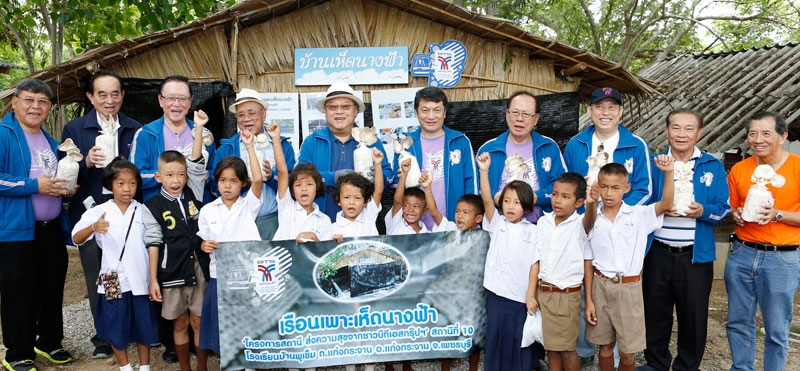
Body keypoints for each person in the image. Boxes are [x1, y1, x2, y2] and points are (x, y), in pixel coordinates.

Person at [563, 87, 652, 365]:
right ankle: (585, 349)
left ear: (620, 112)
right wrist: (587, 211)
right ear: (589, 111)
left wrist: (615, 211)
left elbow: (644, 188)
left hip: (619, 227)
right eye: (599, 107)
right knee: (585, 282)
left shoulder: (636, 145)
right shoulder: (576, 144)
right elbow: (569, 185)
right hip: (585, 223)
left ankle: (618, 353)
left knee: (616, 284)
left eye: (612, 107)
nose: (605, 112)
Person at [640, 109, 730, 371]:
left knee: (693, 315)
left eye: (689, 128)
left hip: (695, 254)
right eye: (676, 128)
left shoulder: (711, 165)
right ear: (667, 131)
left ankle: (687, 366)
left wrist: (703, 211)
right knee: (655, 311)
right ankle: (656, 363)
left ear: (698, 133)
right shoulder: (655, 163)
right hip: (657, 251)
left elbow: (724, 206)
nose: (681, 134)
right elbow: (641, 199)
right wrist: (659, 206)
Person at [61, 69, 142, 359]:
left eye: (115, 94)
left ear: (122, 96)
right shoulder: (76, 129)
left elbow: (141, 170)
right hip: (93, 212)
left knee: (132, 272)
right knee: (100, 275)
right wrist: (86, 163)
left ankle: (132, 330)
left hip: (128, 212)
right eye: (102, 94)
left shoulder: (133, 128)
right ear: (90, 97)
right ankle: (103, 337)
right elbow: (66, 176)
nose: (109, 100)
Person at [0, 79, 76, 371]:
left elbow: (51, 179)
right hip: (16, 230)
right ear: (15, 101)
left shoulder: (48, 139)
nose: (35, 107)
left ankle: (48, 342)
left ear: (49, 107)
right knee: (19, 291)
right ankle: (17, 353)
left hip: (51, 227)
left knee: (51, 286)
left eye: (42, 102)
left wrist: (65, 186)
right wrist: (33, 185)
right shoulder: (5, 134)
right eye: (29, 100)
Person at [726, 111, 800, 371]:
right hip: (742, 253)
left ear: (782, 136)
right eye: (753, 133)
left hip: (783, 257)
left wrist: (778, 214)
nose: (758, 139)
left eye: (766, 133)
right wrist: (734, 213)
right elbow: (733, 207)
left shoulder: (797, 167)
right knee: (737, 322)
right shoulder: (739, 169)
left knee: (777, 329)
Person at [584, 158, 675, 371]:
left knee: (627, 352)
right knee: (605, 346)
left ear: (627, 188)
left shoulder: (638, 215)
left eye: (615, 188)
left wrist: (669, 172)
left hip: (629, 288)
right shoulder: (592, 218)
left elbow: (666, 204)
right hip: (601, 286)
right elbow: (588, 261)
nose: (608, 193)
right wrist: (589, 300)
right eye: (604, 187)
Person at [71, 158, 159, 371]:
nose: (127, 188)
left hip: (140, 277)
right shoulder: (99, 211)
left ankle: (145, 366)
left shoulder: (143, 211)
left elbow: (153, 243)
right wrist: (93, 227)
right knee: (115, 323)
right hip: (112, 278)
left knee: (142, 325)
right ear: (109, 184)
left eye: (132, 183)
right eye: (120, 183)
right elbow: (76, 237)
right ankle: (125, 367)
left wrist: (153, 279)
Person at [143, 114, 210, 371]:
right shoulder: (152, 206)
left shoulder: (194, 191)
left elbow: (194, 164)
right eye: (169, 175)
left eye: (180, 174)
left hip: (197, 268)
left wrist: (199, 129)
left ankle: (202, 367)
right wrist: (152, 280)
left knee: (198, 321)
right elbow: (153, 243)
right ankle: (185, 368)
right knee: (180, 323)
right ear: (159, 177)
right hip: (171, 272)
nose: (176, 180)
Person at [197, 128, 263, 362]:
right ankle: (230, 362)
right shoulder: (207, 210)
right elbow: (204, 241)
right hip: (219, 277)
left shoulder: (248, 206)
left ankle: (250, 364)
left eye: (233, 181)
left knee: (247, 323)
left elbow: (258, 178)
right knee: (222, 327)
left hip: (247, 277)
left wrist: (250, 147)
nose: (227, 186)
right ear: (216, 182)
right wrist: (205, 246)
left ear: (242, 184)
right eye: (223, 180)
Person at [526, 172, 598, 371]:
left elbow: (589, 221)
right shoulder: (543, 222)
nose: (558, 201)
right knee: (552, 348)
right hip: (545, 293)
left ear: (579, 202)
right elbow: (536, 260)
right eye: (555, 194)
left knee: (567, 350)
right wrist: (531, 295)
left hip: (567, 296)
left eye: (566, 197)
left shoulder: (579, 225)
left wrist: (592, 204)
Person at [476, 152, 539, 371]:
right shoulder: (497, 224)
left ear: (528, 207)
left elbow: (535, 265)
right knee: (495, 340)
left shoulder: (533, 231)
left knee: (518, 342)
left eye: (517, 202)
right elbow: (485, 199)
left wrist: (530, 295)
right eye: (507, 201)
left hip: (519, 298)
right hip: (496, 294)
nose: (511, 206)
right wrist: (484, 171)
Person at [297, 81, 392, 219]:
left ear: (355, 112)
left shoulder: (371, 140)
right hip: (318, 222)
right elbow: (299, 179)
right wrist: (331, 177)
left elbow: (389, 177)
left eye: (345, 106)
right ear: (325, 112)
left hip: (361, 222)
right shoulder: (312, 142)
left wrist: (378, 177)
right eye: (332, 107)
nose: (339, 111)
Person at [213, 88, 296, 240]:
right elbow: (215, 186)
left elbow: (292, 181)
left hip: (272, 220)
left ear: (263, 113)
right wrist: (242, 183)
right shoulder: (227, 148)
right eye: (241, 114)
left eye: (252, 113)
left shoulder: (282, 145)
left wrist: (272, 178)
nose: (246, 118)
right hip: (237, 221)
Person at [420, 175, 483, 371]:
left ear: (478, 218)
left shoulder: (484, 235)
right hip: (448, 295)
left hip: (473, 297)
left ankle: (473, 368)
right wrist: (428, 188)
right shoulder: (448, 229)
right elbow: (434, 211)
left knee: (474, 335)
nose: (460, 216)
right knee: (446, 334)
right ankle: (445, 367)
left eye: (466, 212)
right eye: (457, 211)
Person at [476, 90, 566, 223]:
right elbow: (476, 185)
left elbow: (562, 185)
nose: (520, 119)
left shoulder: (548, 147)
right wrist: (495, 196)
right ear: (507, 114)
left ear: (536, 119)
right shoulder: (489, 149)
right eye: (515, 112)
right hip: (500, 225)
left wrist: (537, 197)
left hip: (539, 225)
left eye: (526, 114)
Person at [395, 86, 476, 230]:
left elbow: (472, 183)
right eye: (425, 110)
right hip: (414, 228)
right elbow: (398, 187)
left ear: (445, 113)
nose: (431, 116)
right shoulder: (406, 144)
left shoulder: (460, 142)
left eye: (437, 110)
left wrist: (470, 223)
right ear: (416, 113)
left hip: (453, 226)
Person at [130, 75, 216, 201]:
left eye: (182, 98)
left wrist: (202, 175)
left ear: (190, 101)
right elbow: (134, 177)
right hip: (160, 211)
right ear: (160, 100)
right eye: (170, 98)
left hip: (198, 209)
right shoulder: (145, 134)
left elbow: (217, 174)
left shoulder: (204, 134)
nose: (177, 104)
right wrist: (170, 175)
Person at [271, 123, 331, 243]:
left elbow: (325, 253)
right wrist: (276, 140)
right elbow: (282, 172)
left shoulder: (324, 220)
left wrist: (314, 238)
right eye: (298, 185)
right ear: (291, 189)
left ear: (317, 187)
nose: (304, 188)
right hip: (285, 261)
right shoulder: (287, 206)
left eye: (309, 184)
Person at [328, 149, 384, 242]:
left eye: (357, 198)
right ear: (338, 200)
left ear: (365, 202)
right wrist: (334, 242)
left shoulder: (368, 215)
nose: (351, 202)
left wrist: (377, 164)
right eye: (346, 197)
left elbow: (378, 191)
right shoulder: (333, 228)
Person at [385, 159, 430, 235]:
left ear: (425, 211)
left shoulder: (428, 234)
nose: (410, 210)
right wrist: (404, 174)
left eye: (416, 206)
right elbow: (397, 202)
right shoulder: (396, 223)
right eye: (406, 205)